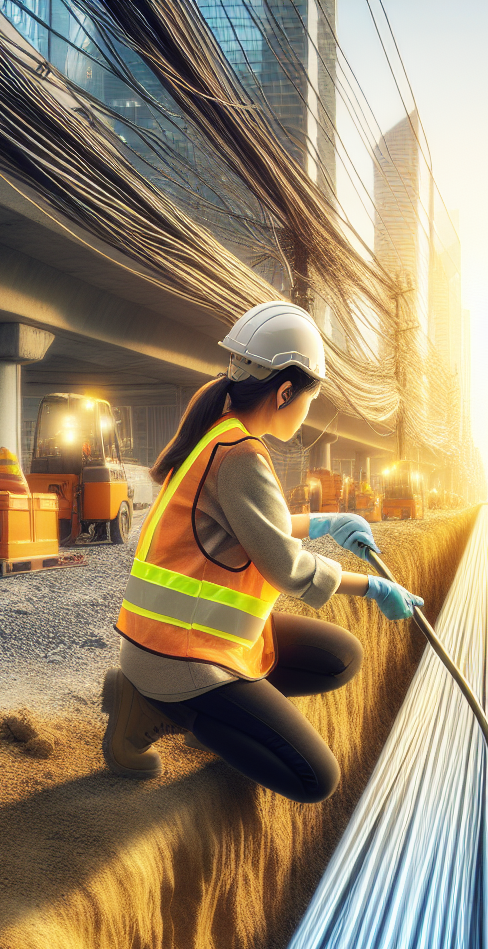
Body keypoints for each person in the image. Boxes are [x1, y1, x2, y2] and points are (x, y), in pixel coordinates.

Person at [102, 301, 422, 803]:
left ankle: (217, 711)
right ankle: (163, 711)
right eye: (309, 401)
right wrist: (375, 586)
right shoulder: (241, 455)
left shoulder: (223, 435)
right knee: (315, 780)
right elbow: (289, 569)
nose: (307, 412)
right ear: (286, 390)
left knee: (340, 657)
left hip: (178, 639)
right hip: (180, 658)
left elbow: (254, 527)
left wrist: (326, 522)